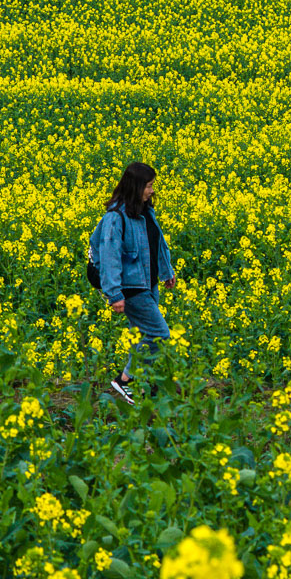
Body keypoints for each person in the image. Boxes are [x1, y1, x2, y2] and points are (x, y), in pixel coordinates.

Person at [91, 162, 177, 403]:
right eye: (149, 186)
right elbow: (108, 256)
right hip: (131, 288)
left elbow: (155, 244)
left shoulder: (143, 211)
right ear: (136, 186)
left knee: (140, 335)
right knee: (159, 334)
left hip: (147, 282)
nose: (152, 190)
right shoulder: (115, 217)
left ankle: (139, 383)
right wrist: (114, 293)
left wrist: (165, 271)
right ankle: (125, 380)